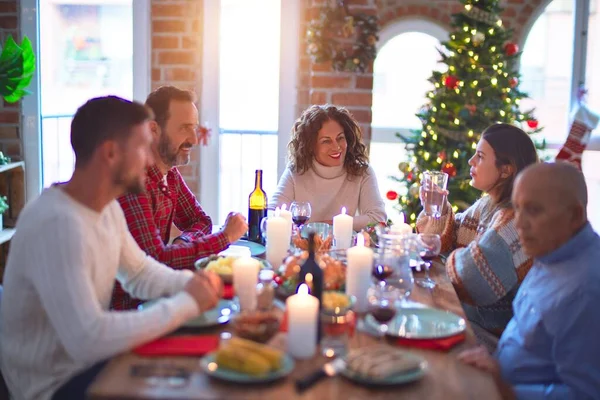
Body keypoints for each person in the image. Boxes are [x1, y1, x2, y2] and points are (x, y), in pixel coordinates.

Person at [0, 96, 223, 400]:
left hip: (89, 364)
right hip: (54, 385)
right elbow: (88, 338)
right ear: (110, 153)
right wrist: (188, 304)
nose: (148, 160)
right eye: (142, 147)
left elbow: (140, 272)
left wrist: (190, 283)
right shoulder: (57, 224)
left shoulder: (105, 208)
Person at [458, 162, 600, 399]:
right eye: (517, 208)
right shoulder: (551, 249)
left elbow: (584, 394)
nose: (519, 224)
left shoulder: (586, 290)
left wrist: (505, 388)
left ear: (575, 215)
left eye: (533, 210)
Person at [112, 86, 247, 310]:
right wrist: (223, 238)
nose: (193, 139)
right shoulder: (135, 182)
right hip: (132, 309)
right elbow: (157, 259)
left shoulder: (169, 173)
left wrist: (183, 242)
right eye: (185, 128)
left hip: (160, 296)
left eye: (194, 128)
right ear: (153, 129)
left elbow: (201, 221)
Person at [417, 123, 538, 341]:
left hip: (494, 335)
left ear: (506, 169)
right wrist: (437, 208)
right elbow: (450, 235)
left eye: (480, 156)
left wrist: (448, 257)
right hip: (471, 320)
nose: (471, 161)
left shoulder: (514, 219)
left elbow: (473, 278)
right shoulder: (488, 203)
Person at [269, 104, 386, 231]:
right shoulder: (296, 171)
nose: (337, 147)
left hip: (343, 248)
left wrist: (332, 224)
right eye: (326, 141)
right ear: (310, 146)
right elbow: (272, 212)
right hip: (303, 248)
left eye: (340, 138)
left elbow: (378, 218)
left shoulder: (362, 172)